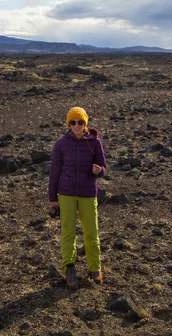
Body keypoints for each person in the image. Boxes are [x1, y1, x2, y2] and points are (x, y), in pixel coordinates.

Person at [48, 106, 107, 290]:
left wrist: (100, 171)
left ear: (85, 123)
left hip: (88, 193)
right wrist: (53, 198)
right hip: (66, 193)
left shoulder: (95, 143)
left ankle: (95, 268)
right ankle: (69, 268)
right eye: (72, 122)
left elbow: (103, 167)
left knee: (91, 232)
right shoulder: (60, 144)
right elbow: (54, 172)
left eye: (80, 122)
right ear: (68, 124)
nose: (76, 125)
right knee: (68, 232)